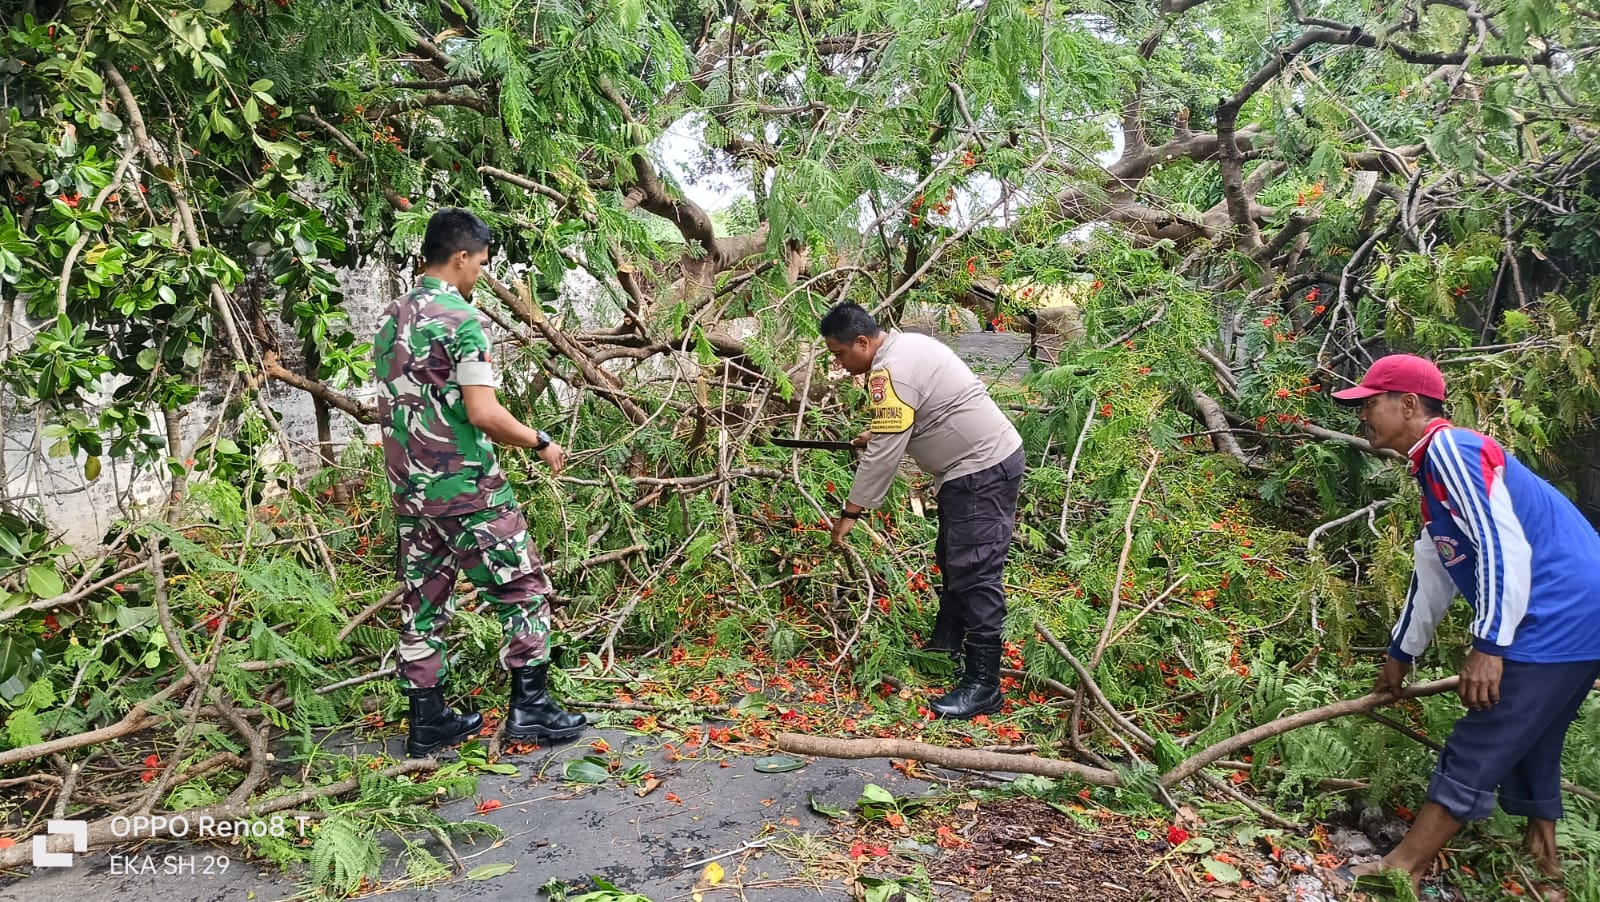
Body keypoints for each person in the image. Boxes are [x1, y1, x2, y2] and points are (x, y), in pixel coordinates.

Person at [1332, 354, 1600, 895]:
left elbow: (1505, 547)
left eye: (1370, 403)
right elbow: (1435, 573)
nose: (1361, 414)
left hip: (1559, 608)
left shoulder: (1451, 448)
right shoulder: (1434, 477)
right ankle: (1546, 869)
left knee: (1483, 730)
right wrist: (1399, 656)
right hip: (1582, 612)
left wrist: (1490, 645)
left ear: (1409, 404)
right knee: (1535, 732)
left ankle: (1402, 867)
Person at [373, 208, 588, 758]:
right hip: (467, 489)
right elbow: (483, 412)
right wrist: (541, 440)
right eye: (481, 264)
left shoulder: (390, 317)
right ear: (461, 257)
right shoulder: (461, 320)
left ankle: (427, 721)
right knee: (523, 588)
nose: (479, 276)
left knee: (423, 601)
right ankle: (532, 707)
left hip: (409, 491)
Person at [821, 302, 1026, 719]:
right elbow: (915, 413)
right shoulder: (907, 346)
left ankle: (984, 684)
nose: (840, 364)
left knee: (976, 571)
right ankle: (946, 645)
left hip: (979, 470)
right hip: (972, 469)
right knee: (953, 560)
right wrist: (876, 431)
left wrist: (851, 513)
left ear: (863, 342)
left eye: (840, 354)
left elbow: (883, 457)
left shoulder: (889, 371)